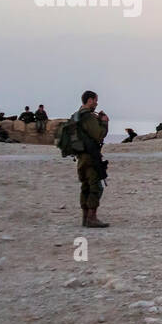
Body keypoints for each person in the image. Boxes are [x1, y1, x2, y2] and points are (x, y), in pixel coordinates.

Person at [72, 90, 110, 227]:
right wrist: (104, 123)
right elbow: (98, 135)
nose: (96, 103)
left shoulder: (77, 115)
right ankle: (91, 218)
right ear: (89, 100)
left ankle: (85, 217)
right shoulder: (88, 117)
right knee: (96, 187)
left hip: (81, 157)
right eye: (95, 100)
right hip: (90, 156)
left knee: (86, 186)